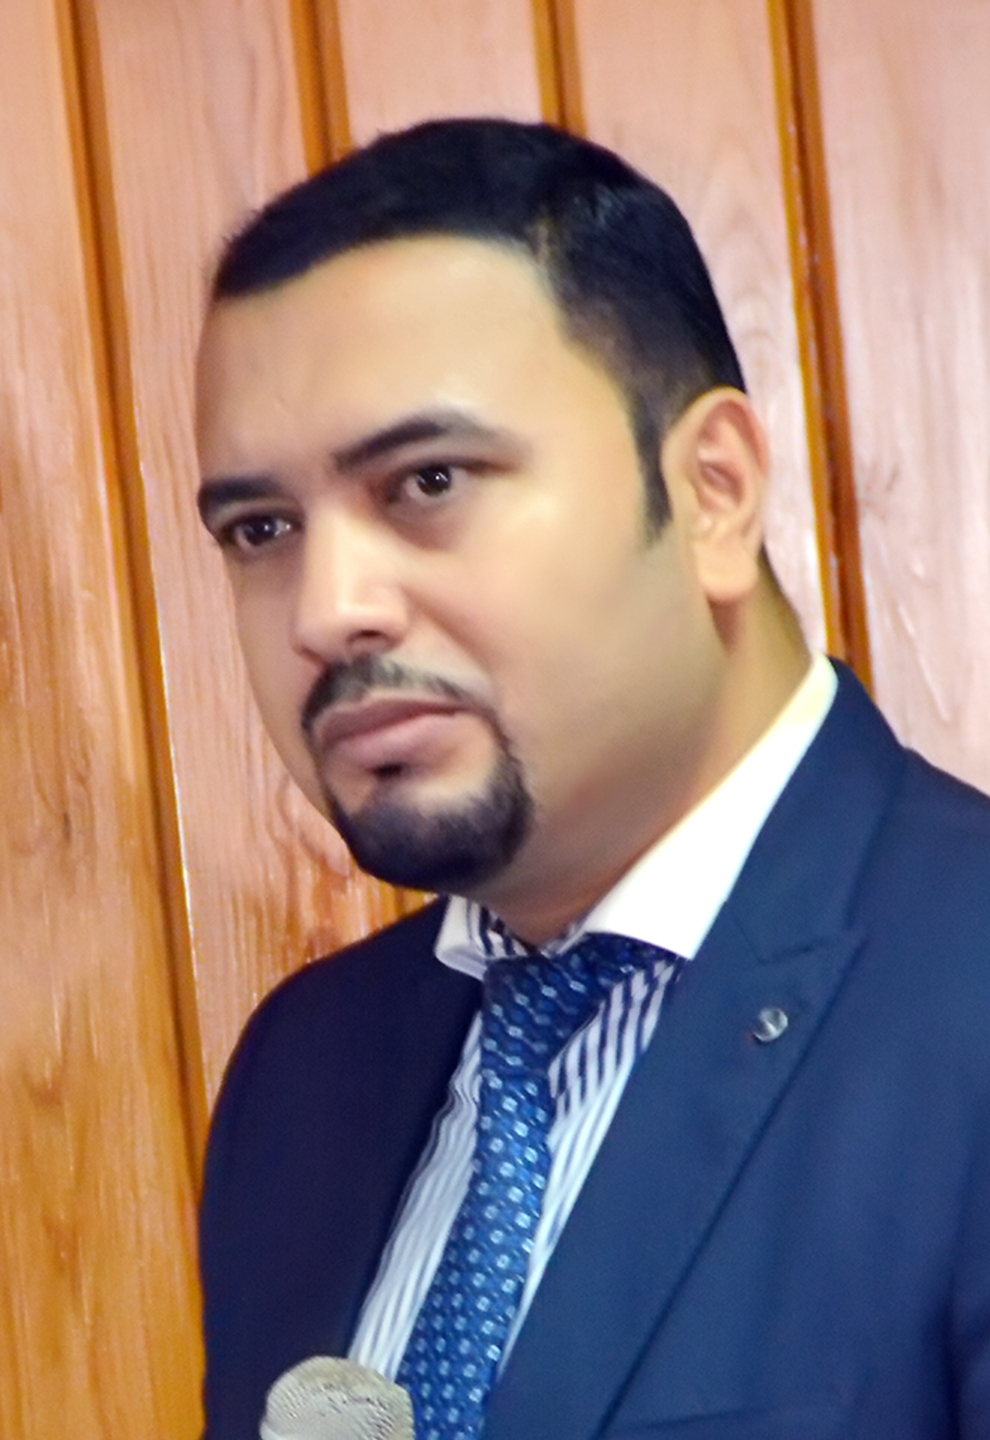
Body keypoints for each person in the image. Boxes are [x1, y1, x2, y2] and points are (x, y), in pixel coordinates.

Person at [193, 119, 990, 1440]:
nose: (325, 610)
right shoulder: (303, 1073)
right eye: (262, 528)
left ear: (712, 491)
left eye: (428, 481)